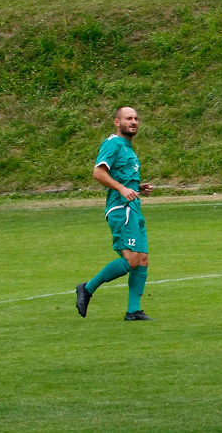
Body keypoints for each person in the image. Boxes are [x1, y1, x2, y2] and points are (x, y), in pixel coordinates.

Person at [76, 106, 156, 322]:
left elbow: (122, 177)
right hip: (121, 209)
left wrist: (137, 188)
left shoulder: (128, 147)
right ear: (116, 122)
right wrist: (122, 189)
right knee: (131, 260)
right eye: (128, 118)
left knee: (142, 260)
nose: (134, 122)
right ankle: (87, 288)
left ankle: (133, 311)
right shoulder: (112, 144)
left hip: (134, 208)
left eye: (136, 118)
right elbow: (98, 172)